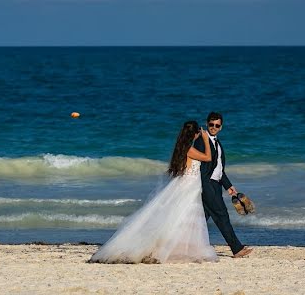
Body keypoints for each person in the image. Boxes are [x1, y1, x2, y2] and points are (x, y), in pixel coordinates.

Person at [89, 120, 219, 263]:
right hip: (188, 186)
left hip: (189, 185)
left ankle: (181, 247)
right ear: (195, 134)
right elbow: (208, 157)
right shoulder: (189, 149)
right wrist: (206, 140)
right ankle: (173, 248)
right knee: (182, 217)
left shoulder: (183, 148)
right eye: (198, 133)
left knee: (184, 218)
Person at [194, 112, 252, 258]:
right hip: (207, 185)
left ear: (221, 127)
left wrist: (228, 186)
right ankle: (237, 249)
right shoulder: (202, 140)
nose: (213, 127)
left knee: (201, 218)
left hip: (215, 185)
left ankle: (179, 245)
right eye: (211, 125)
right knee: (222, 215)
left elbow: (219, 168)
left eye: (217, 125)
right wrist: (203, 186)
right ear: (207, 124)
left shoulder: (218, 143)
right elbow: (199, 166)